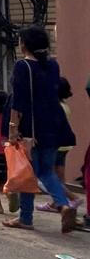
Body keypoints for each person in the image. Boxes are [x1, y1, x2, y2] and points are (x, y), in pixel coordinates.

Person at [1, 26, 78, 233]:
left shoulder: (22, 66)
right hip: (53, 127)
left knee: (28, 175)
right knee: (46, 171)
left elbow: (19, 101)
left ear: (24, 44)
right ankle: (63, 205)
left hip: (30, 131)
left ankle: (25, 218)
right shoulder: (53, 66)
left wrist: (13, 130)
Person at [39, 78, 83, 213]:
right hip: (64, 146)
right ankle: (56, 203)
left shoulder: (54, 107)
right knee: (59, 177)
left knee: (49, 176)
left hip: (54, 145)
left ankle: (72, 198)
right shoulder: (64, 106)